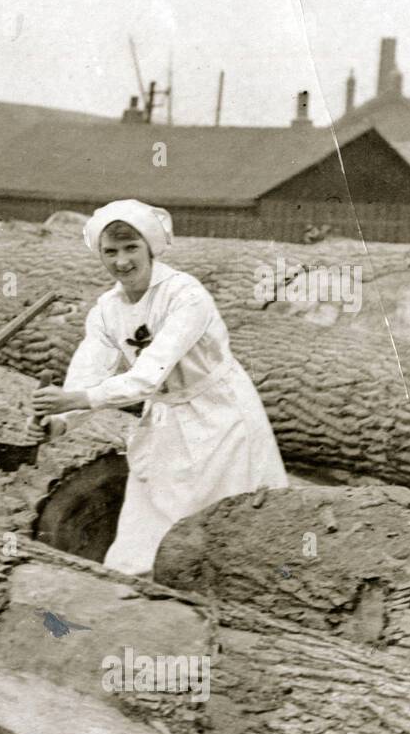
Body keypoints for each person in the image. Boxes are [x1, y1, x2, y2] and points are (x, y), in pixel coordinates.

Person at [30, 199, 287, 577]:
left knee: (223, 524)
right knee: (142, 536)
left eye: (131, 248)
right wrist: (61, 420)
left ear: (150, 248)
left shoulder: (186, 295)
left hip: (221, 416)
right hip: (165, 419)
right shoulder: (106, 309)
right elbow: (89, 372)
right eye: (110, 251)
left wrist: (79, 399)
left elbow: (150, 374)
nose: (121, 262)